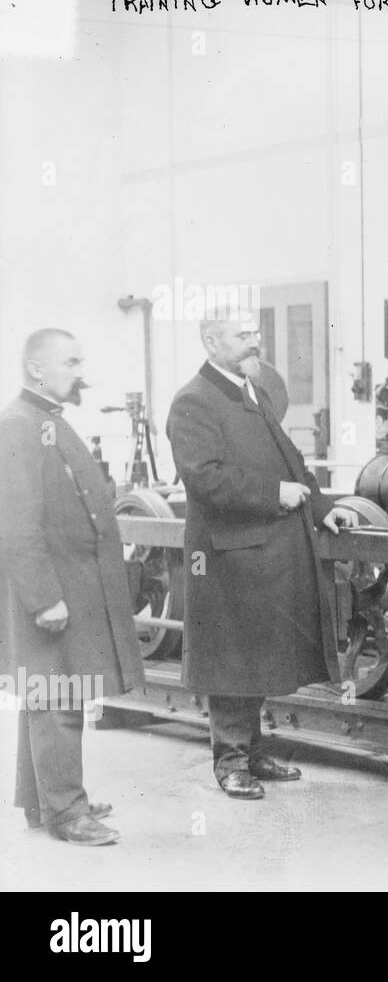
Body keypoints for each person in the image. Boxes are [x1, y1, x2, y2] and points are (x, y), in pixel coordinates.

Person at [167, 311, 357, 800]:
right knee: (232, 659)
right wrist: (275, 493)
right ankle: (230, 762)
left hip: (261, 554)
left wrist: (322, 509)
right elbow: (204, 479)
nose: (255, 342)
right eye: (242, 335)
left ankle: (251, 752)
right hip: (228, 557)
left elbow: (291, 462)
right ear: (211, 342)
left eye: (255, 333)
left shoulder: (252, 391)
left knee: (256, 656)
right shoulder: (193, 400)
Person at [0, 329, 144, 844]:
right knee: (56, 695)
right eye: (71, 362)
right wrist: (44, 598)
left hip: (68, 586)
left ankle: (42, 801)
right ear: (37, 368)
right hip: (51, 590)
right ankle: (66, 812)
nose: (81, 373)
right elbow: (16, 524)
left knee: (50, 693)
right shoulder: (19, 425)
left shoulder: (45, 420)